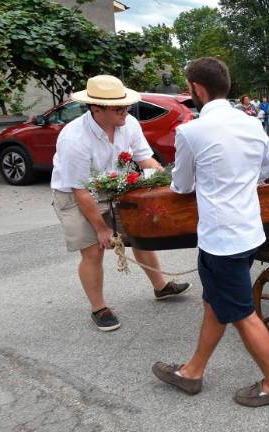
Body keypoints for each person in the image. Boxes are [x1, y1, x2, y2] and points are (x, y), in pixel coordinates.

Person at [157, 57, 269, 406]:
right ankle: (192, 372)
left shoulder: (191, 130)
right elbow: (265, 173)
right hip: (247, 231)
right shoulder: (252, 124)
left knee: (241, 313)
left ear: (197, 90)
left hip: (221, 238)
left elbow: (181, 185)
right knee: (215, 304)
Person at [51, 75, 191, 332]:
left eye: (126, 106)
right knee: (93, 250)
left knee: (140, 235)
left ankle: (161, 287)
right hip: (74, 194)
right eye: (118, 108)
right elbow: (80, 191)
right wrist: (103, 229)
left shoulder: (130, 124)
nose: (125, 112)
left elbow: (145, 158)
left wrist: (167, 186)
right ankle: (99, 308)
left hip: (113, 187)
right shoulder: (74, 137)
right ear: (96, 109)